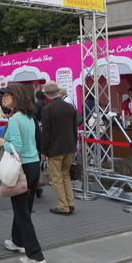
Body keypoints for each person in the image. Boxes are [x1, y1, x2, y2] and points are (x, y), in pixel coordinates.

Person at [0, 83, 47, 263]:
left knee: (22, 213)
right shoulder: (29, 117)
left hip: (21, 168)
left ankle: (36, 255)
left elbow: (16, 147)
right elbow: (35, 141)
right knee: (24, 208)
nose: (3, 98)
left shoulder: (14, 119)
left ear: (15, 97)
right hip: (33, 166)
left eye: (6, 95)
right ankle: (17, 241)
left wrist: (2, 142)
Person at [40, 80, 77, 216]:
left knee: (56, 178)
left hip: (54, 148)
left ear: (47, 95)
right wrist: (74, 145)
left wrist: (43, 151)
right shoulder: (70, 107)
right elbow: (74, 129)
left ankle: (63, 206)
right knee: (65, 175)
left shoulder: (47, 109)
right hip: (69, 146)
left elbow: (46, 133)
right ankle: (70, 203)